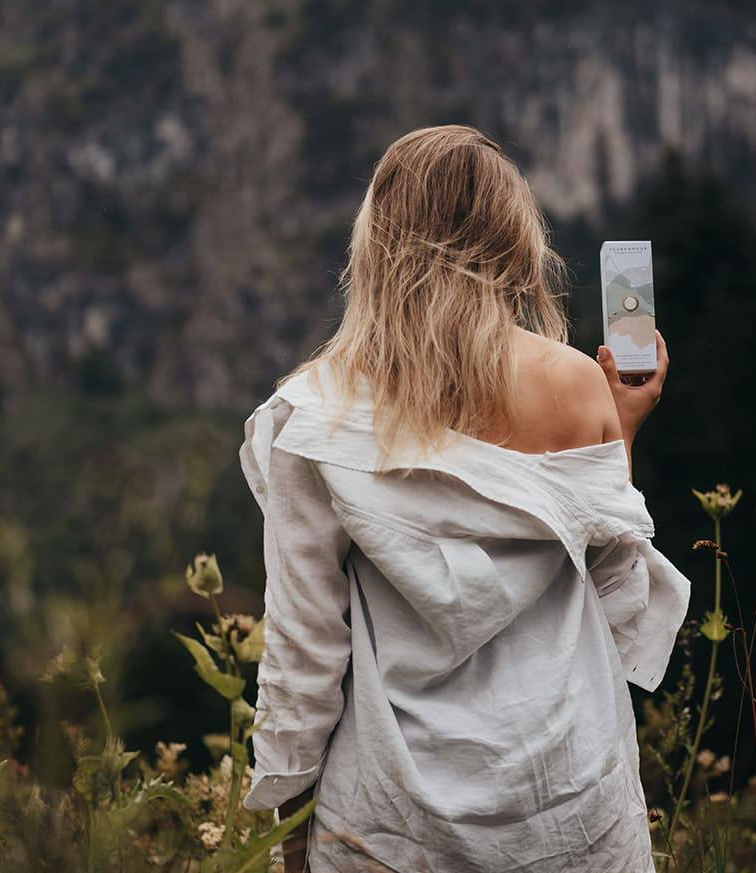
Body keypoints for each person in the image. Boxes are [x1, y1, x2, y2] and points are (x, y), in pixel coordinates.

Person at [237, 124, 691, 873]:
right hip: (567, 811)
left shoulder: (314, 415)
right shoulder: (577, 383)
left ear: (376, 242)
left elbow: (302, 650)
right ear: (515, 240)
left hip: (386, 826)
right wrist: (621, 431)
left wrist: (287, 829)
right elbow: (614, 602)